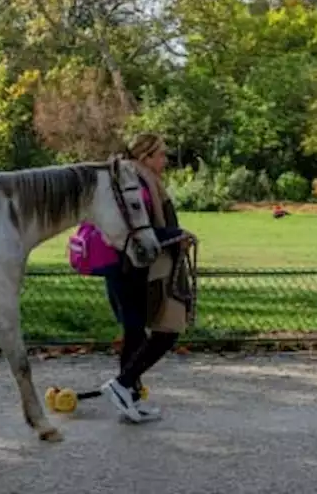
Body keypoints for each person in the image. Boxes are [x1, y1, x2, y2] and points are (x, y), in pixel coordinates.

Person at [101, 132, 195, 424]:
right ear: (144, 157)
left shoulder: (140, 180)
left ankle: (129, 394)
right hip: (128, 266)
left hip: (133, 266)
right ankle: (123, 385)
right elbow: (135, 228)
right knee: (164, 328)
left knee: (136, 331)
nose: (165, 161)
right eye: (160, 155)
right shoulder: (137, 183)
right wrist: (175, 235)